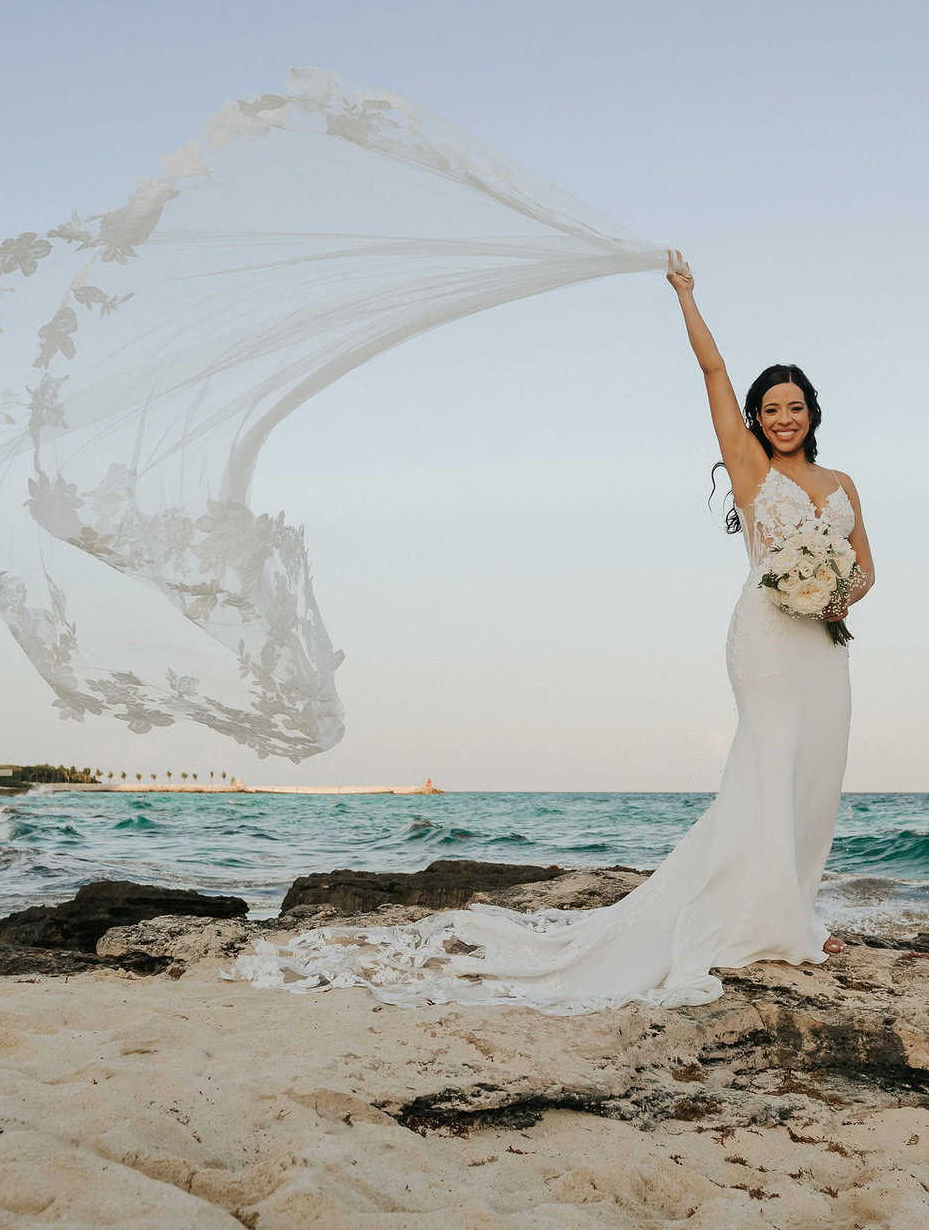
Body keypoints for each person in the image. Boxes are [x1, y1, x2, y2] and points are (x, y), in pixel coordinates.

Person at [225, 251, 876, 1013]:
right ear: (759, 420)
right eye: (771, 408)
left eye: (794, 407)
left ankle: (796, 906)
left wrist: (837, 600)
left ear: (813, 413)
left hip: (824, 646)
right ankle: (768, 923)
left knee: (814, 776)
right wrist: (686, 296)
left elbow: (867, 569)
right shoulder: (750, 468)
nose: (783, 417)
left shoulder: (844, 486)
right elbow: (713, 375)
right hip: (765, 642)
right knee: (768, 769)